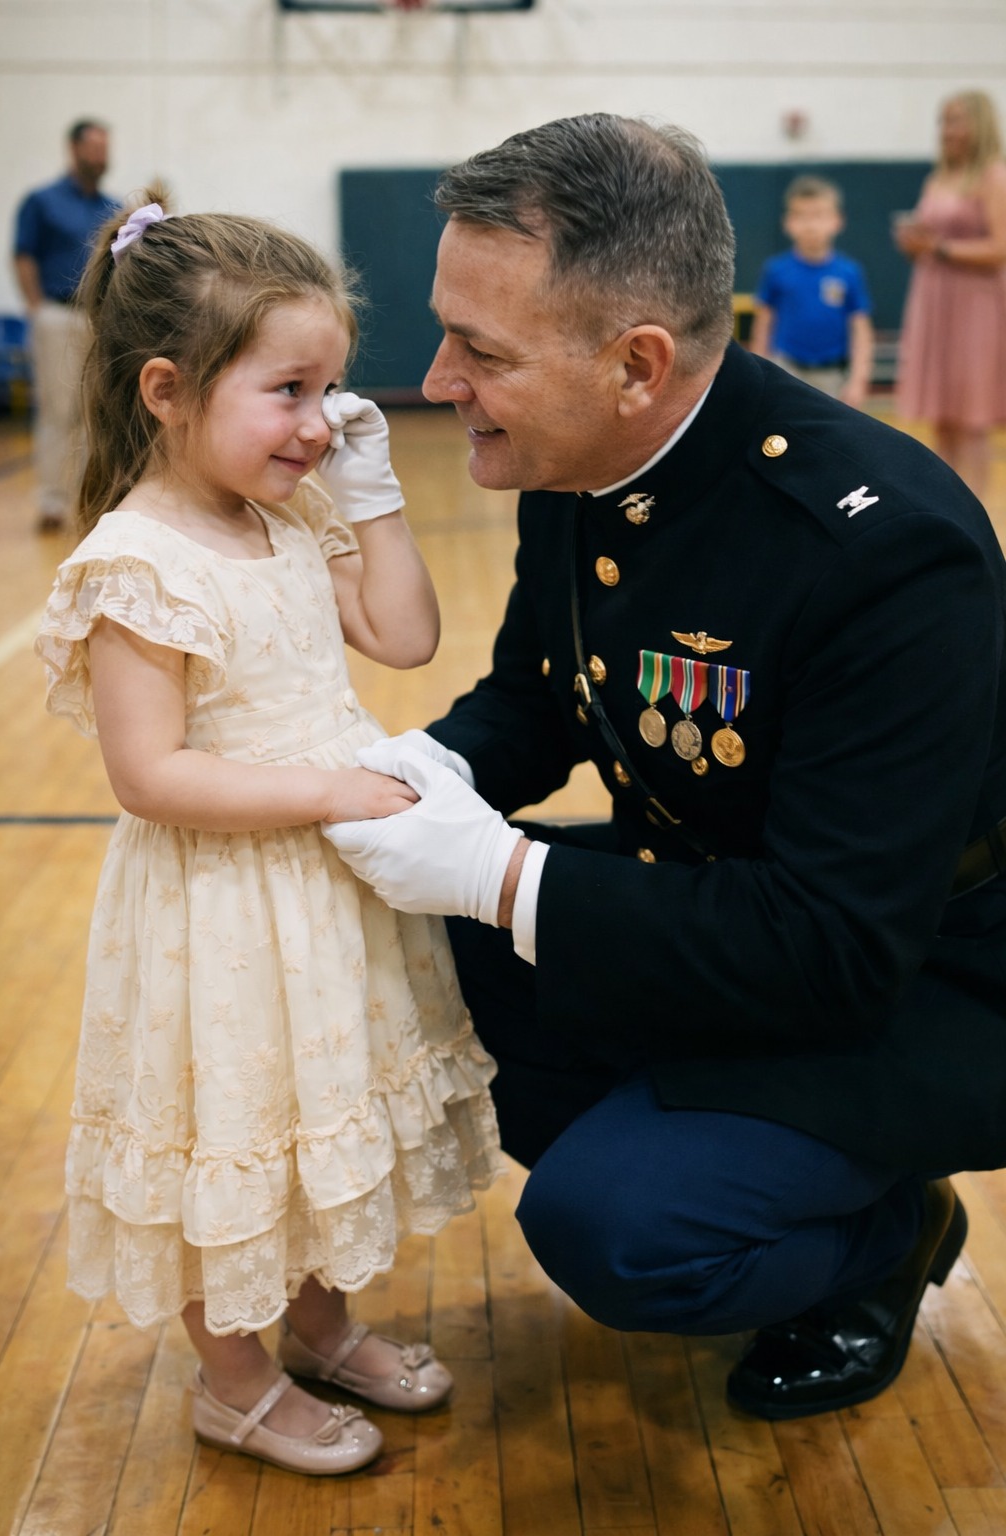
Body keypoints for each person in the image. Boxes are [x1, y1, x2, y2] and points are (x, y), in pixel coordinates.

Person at [323, 113, 1006, 1423]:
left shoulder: (882, 546)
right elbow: (540, 700)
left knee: (617, 1230)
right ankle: (757, 1150)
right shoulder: (582, 459)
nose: (439, 376)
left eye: (480, 348)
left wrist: (503, 872)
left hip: (933, 982)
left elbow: (833, 948)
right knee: (417, 953)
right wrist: (425, 769)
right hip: (737, 915)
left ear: (635, 363)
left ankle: (880, 1239)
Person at [34, 192, 503, 1476]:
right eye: (289, 391)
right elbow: (151, 774)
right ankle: (231, 1381)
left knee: (313, 1117)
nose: (317, 423)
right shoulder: (139, 561)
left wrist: (371, 490)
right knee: (235, 1129)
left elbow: (404, 637)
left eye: (332, 391)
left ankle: (317, 1323)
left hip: (320, 892)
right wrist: (333, 791)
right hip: (222, 906)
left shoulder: (288, 514)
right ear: (169, 389)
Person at [894, 90, 1006, 502]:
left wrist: (940, 249)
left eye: (956, 120)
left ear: (979, 124)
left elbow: (1001, 247)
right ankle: (948, 505)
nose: (947, 130)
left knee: (972, 416)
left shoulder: (994, 176)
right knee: (942, 414)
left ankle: (978, 510)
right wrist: (916, 243)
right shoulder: (937, 177)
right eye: (943, 120)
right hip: (934, 297)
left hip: (976, 304)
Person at [13, 119, 120, 533]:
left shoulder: (110, 209)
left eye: (105, 148)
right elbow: (24, 255)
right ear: (74, 149)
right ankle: (52, 502)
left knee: (93, 411)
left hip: (96, 317)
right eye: (94, 147)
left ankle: (86, 496)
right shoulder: (42, 202)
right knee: (59, 410)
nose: (101, 155)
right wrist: (36, 307)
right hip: (56, 314)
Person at [750, 174, 874, 410]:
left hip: (832, 375)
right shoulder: (776, 270)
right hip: (786, 369)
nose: (810, 224)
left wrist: (859, 379)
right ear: (788, 223)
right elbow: (763, 325)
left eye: (818, 215)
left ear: (837, 221)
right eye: (801, 216)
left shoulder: (848, 272)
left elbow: (860, 329)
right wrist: (760, 373)